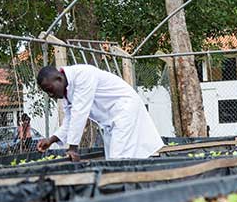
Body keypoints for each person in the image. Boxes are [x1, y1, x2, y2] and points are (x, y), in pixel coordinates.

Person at [35, 64, 164, 161]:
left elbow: (80, 113)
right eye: (47, 92)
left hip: (124, 111)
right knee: (114, 160)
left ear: (59, 78)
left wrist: (72, 149)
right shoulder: (66, 92)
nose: (51, 94)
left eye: (50, 89)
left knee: (119, 160)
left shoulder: (82, 75)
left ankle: (129, 192)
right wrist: (51, 140)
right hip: (112, 121)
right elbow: (70, 120)